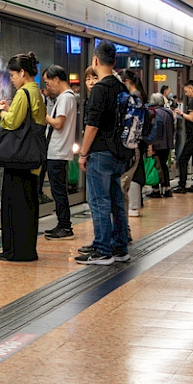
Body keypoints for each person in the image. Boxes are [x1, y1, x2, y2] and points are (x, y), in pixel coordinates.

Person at [75, 41, 130, 266]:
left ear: (95, 61)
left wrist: (83, 153)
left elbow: (92, 125)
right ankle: (120, 247)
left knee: (99, 201)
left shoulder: (100, 89)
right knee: (116, 201)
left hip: (100, 153)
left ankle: (102, 250)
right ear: (114, 62)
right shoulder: (122, 88)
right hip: (118, 152)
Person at [0, 53, 45, 261]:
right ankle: (26, 248)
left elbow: (12, 123)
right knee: (28, 204)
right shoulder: (36, 91)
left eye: (12, 75)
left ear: (22, 72)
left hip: (18, 159)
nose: (11, 79)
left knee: (14, 204)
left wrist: (0, 111)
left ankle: (14, 250)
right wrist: (9, 109)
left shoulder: (23, 92)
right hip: (31, 157)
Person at [43, 64, 77, 240]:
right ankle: (62, 224)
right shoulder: (67, 97)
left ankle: (65, 226)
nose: (48, 86)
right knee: (58, 190)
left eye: (48, 82)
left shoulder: (65, 98)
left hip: (58, 151)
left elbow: (58, 123)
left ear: (56, 79)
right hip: (59, 150)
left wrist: (43, 115)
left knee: (58, 191)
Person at [120, 70, 146, 218]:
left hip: (132, 143)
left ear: (127, 82)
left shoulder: (134, 97)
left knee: (130, 177)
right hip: (137, 142)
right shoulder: (140, 95)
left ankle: (134, 207)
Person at [173, 80, 193, 193]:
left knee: (183, 159)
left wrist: (181, 113)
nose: (186, 94)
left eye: (186, 91)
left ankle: (182, 185)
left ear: (191, 88)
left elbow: (192, 118)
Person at [145, 93, 175, 198]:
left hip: (157, 144)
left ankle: (156, 190)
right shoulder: (169, 112)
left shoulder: (153, 112)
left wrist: (150, 145)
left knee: (156, 166)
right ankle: (167, 189)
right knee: (163, 165)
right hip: (167, 144)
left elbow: (154, 130)